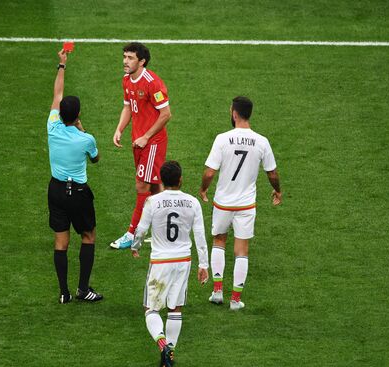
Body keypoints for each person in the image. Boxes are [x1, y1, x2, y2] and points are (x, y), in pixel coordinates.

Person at [199, 96, 282, 311]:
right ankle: (235, 300)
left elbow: (209, 171)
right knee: (241, 250)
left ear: (234, 113)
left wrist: (203, 188)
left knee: (218, 241)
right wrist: (278, 190)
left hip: (223, 203)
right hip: (246, 206)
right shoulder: (262, 141)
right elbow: (272, 173)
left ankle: (217, 291)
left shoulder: (222, 139)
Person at [132, 161, 209, 367]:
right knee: (175, 309)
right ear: (180, 179)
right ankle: (170, 354)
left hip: (160, 261)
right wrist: (204, 265)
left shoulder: (153, 201)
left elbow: (141, 229)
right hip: (183, 261)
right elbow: (200, 235)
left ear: (162, 181)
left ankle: (163, 345)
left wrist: (135, 246)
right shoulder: (192, 202)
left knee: (151, 309)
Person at [47, 48, 103, 304]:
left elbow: (57, 93)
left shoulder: (52, 126)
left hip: (56, 191)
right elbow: (95, 158)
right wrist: (83, 130)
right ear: (78, 115)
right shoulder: (86, 139)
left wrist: (62, 65)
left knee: (61, 241)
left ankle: (63, 292)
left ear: (60, 113)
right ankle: (83, 289)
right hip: (78, 193)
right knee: (88, 235)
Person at [110, 42, 172, 249]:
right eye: (124, 57)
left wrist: (146, 137)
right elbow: (128, 106)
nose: (125, 61)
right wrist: (120, 129)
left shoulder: (153, 83)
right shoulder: (127, 80)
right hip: (138, 141)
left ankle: (132, 233)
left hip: (152, 142)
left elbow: (166, 114)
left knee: (142, 185)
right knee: (155, 187)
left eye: (130, 58)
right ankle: (165, 231)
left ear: (142, 61)